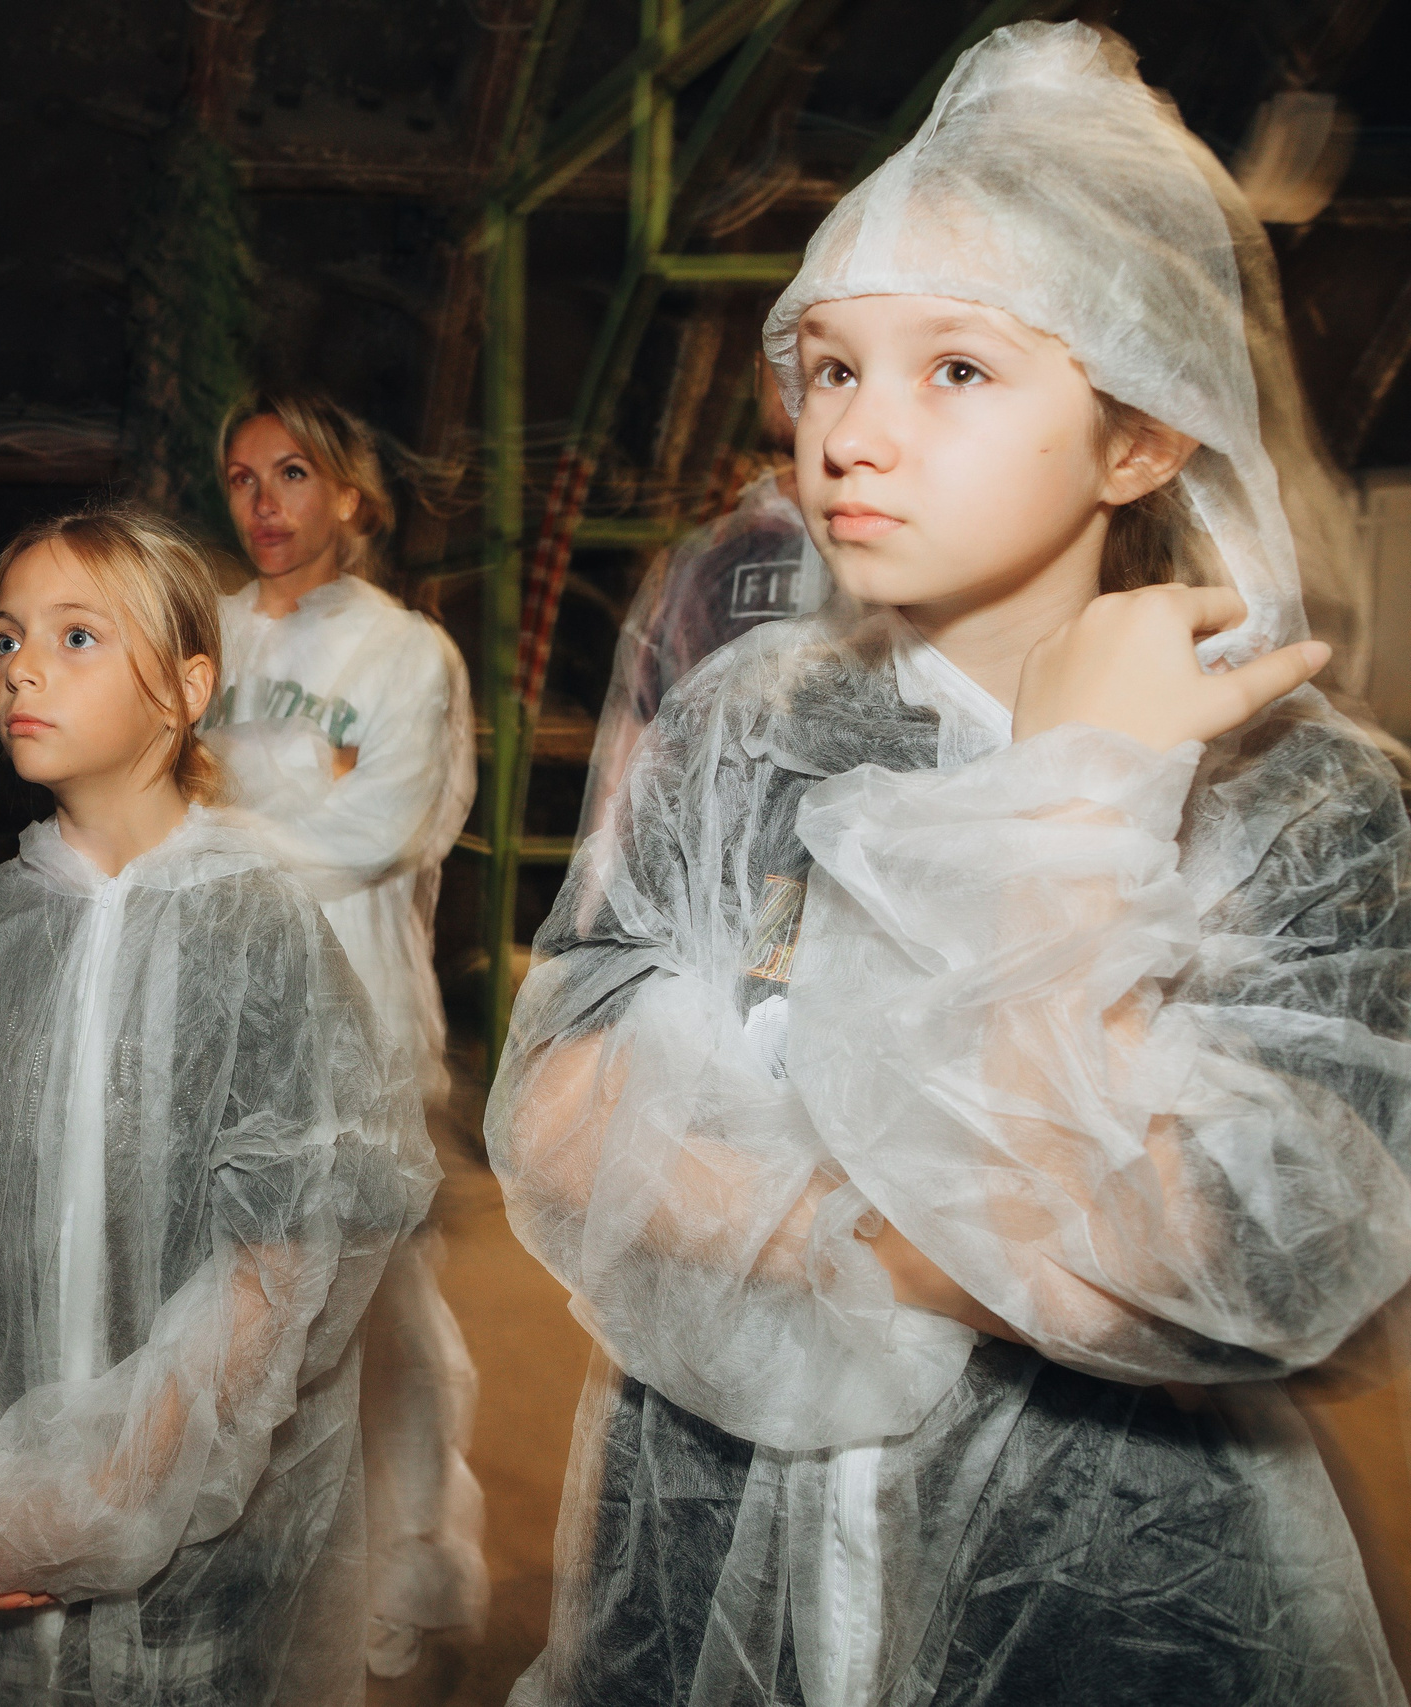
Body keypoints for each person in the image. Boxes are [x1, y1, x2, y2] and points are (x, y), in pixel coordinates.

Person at [488, 23, 1411, 1707]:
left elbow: (1194, 1272)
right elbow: (559, 1105)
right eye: (833, 366)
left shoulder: (1304, 797)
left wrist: (1082, 797)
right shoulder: (747, 725)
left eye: (958, 370)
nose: (852, 432)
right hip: (698, 1562)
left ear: (1138, 435)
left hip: (1110, 1610)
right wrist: (940, 1240)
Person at [0, 505, 438, 1705]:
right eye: (6, 640)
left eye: (76, 636)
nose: (22, 670)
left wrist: (104, 1493)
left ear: (185, 687)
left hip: (185, 1557)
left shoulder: (259, 933)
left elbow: (281, 1260)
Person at [209, 392, 488, 1675]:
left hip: (359, 1010)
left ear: (352, 500)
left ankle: (415, 1567)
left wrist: (212, 839)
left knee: (380, 1301)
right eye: (243, 478)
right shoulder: (200, 635)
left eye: (295, 473)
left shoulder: (406, 655)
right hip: (218, 1007)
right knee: (239, 1294)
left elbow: (373, 828)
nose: (266, 502)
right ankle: (262, 1564)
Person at [578, 362, 831, 841]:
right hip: (703, 879)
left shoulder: (912, 560)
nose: (789, 371)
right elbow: (638, 729)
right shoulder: (707, 558)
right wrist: (600, 896)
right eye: (775, 351)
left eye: (828, 366)